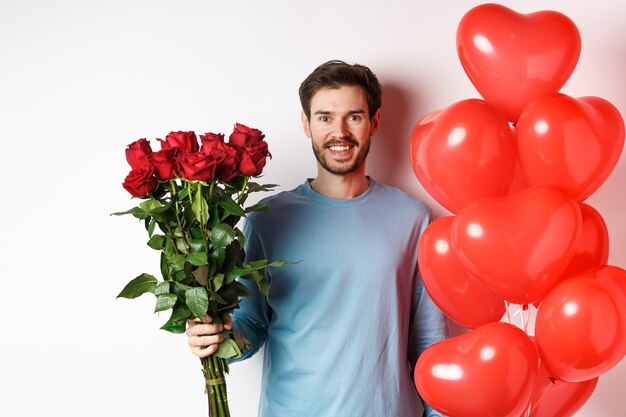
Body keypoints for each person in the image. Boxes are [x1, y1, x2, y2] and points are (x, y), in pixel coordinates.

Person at [186, 60, 449, 417]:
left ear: (374, 123)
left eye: (353, 117)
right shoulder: (268, 219)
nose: (339, 132)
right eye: (325, 117)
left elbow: (429, 343)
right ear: (306, 124)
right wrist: (216, 334)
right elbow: (251, 325)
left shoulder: (412, 219)